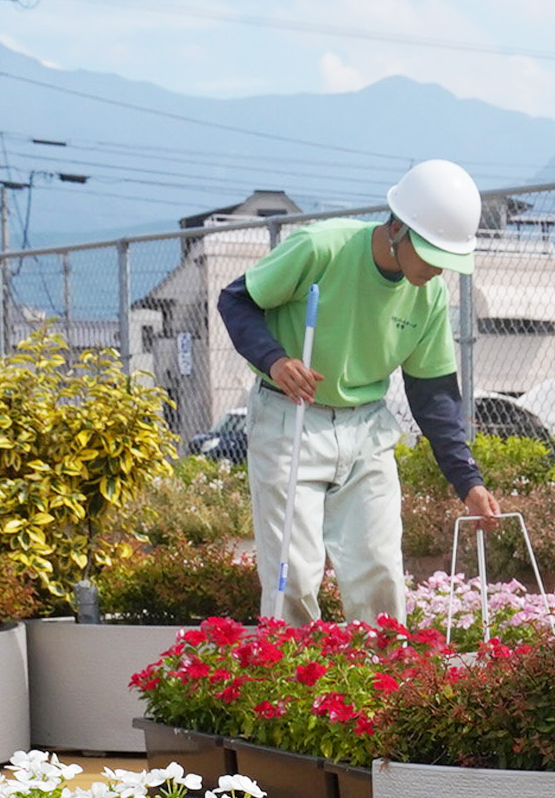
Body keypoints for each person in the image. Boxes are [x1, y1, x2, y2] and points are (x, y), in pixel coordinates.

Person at [215, 159, 504, 624]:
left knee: (379, 572)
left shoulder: (428, 295)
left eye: (447, 258)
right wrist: (275, 359)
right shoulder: (320, 247)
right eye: (431, 251)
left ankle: (385, 687)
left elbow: (433, 395)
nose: (437, 268)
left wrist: (467, 480)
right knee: (296, 575)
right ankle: (289, 686)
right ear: (397, 227)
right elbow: (236, 300)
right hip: (291, 416)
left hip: (367, 426)